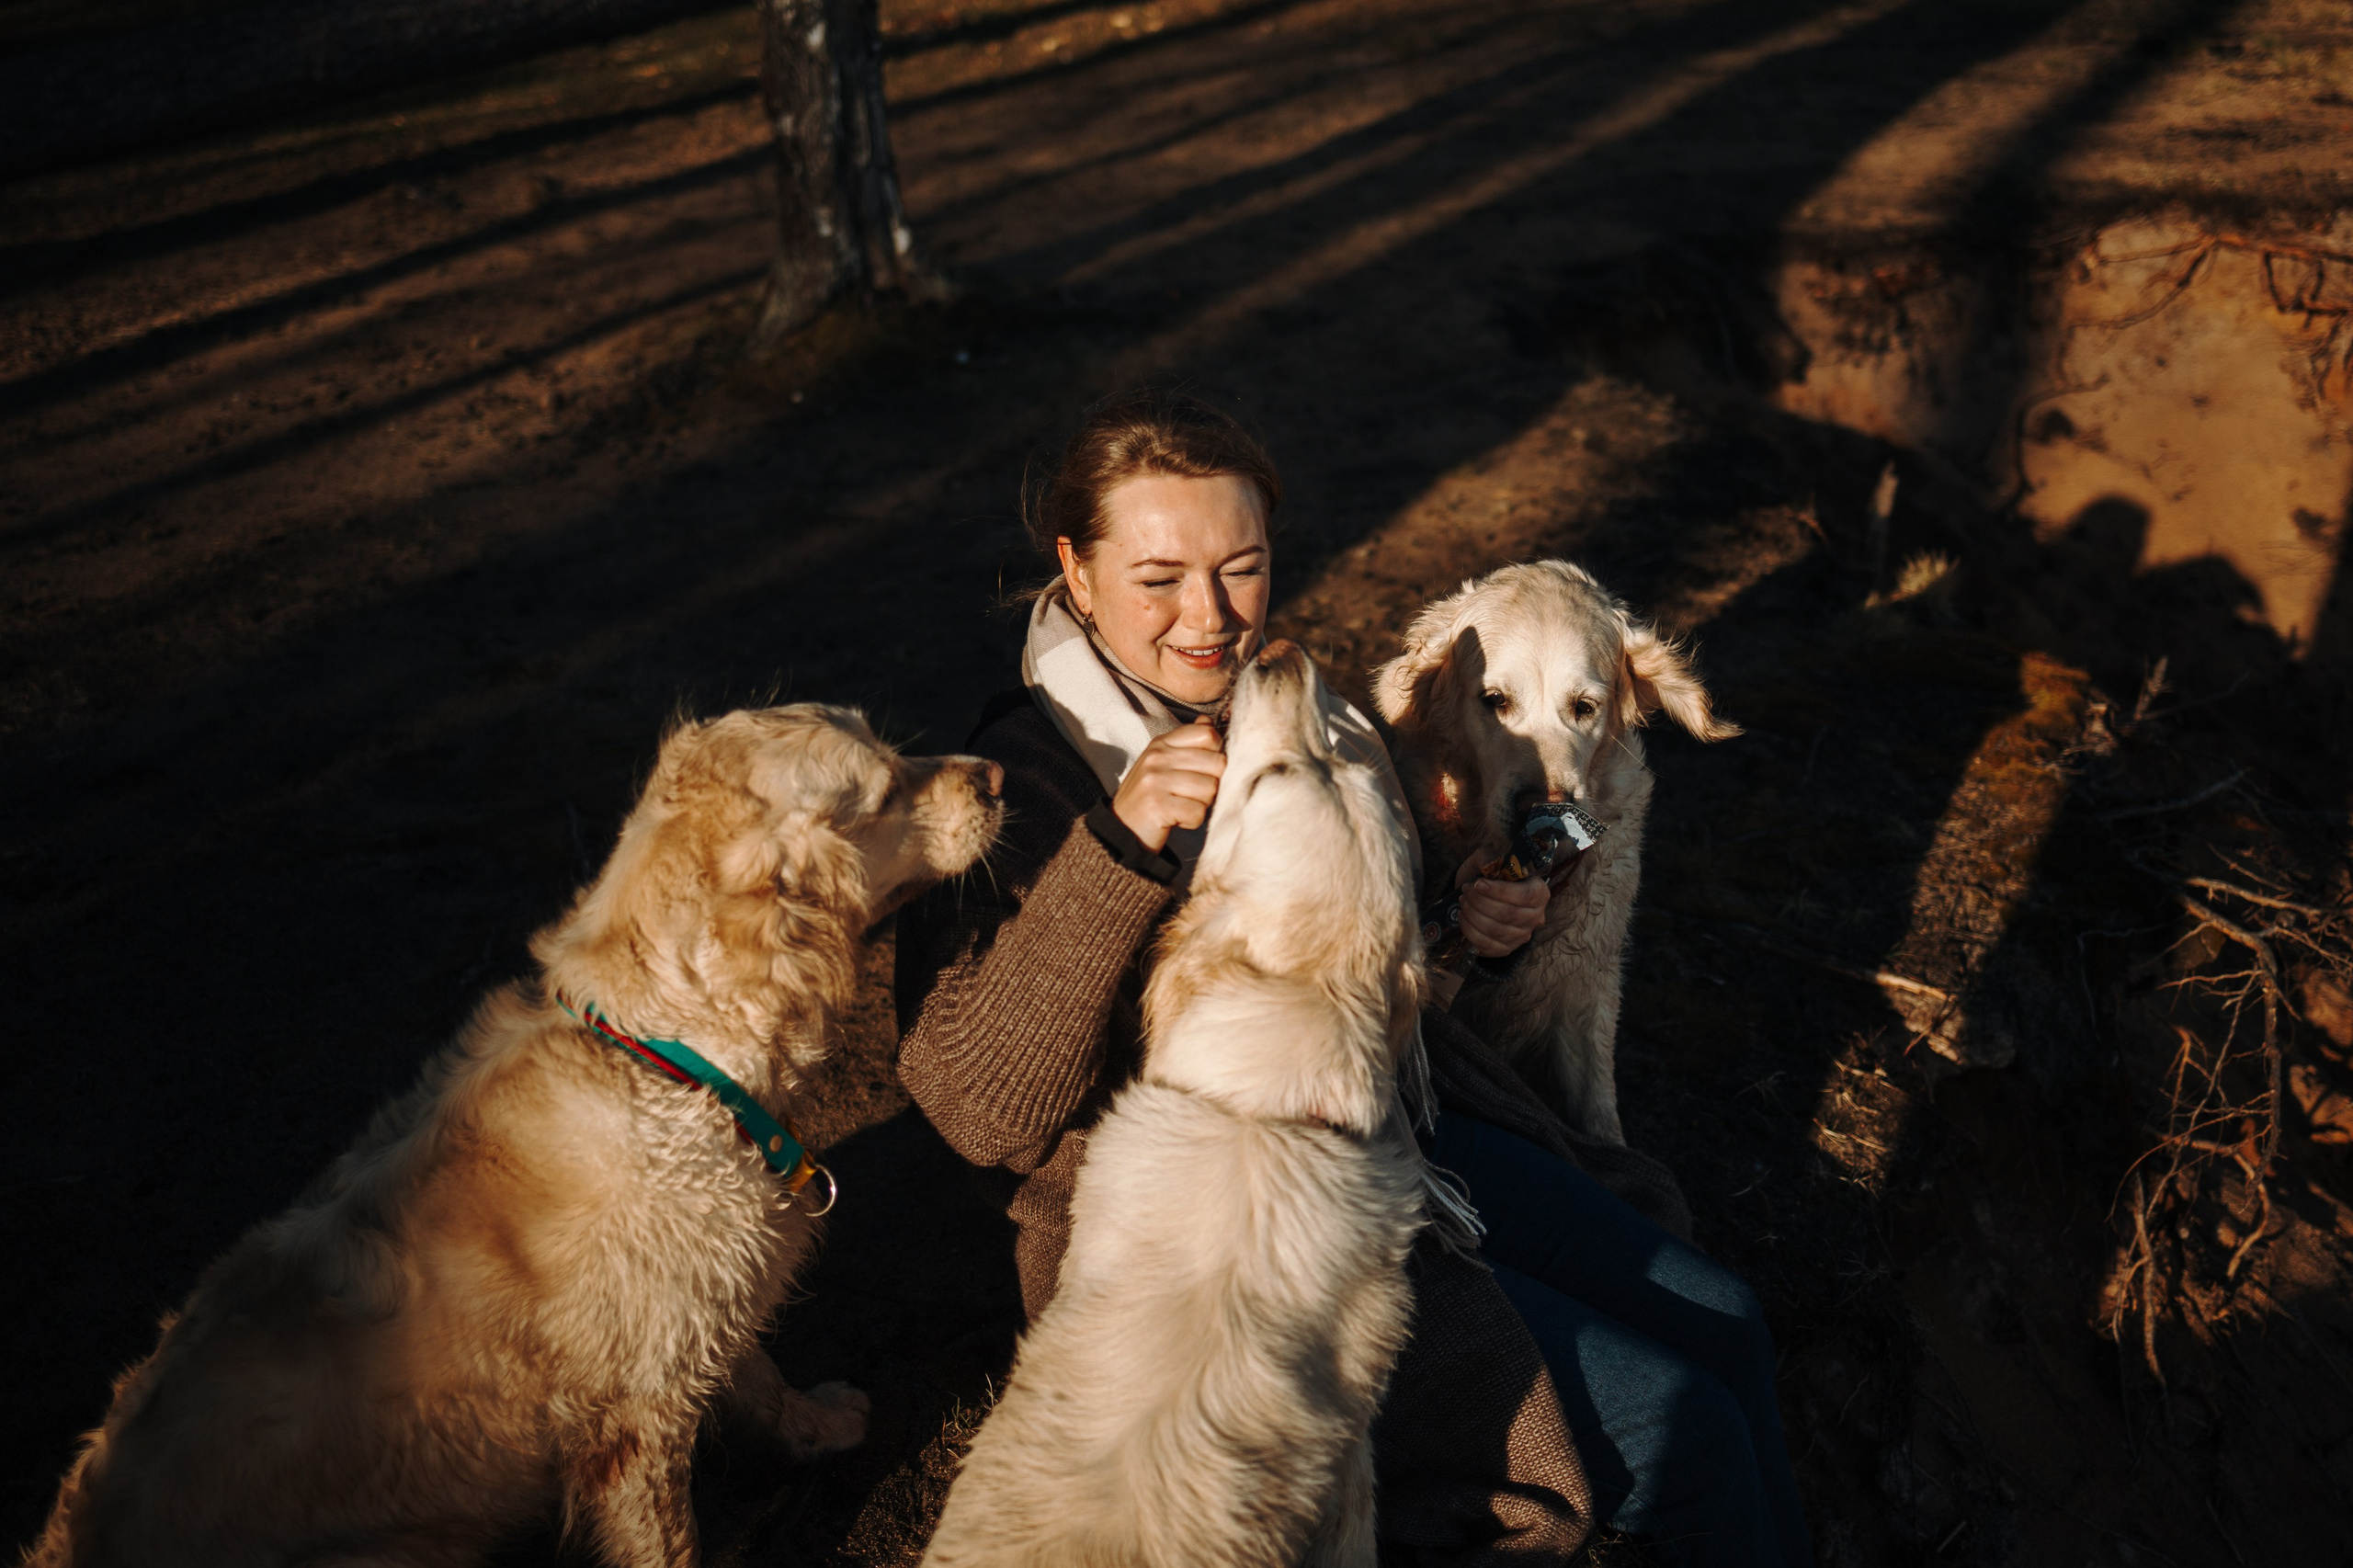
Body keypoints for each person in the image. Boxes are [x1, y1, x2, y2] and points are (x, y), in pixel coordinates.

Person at [894, 388, 1813, 1567]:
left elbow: (1380, 983)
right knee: (1696, 1449)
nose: (1210, 618)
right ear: (1075, 573)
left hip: (1412, 1136)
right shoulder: (1016, 786)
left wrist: (1468, 935)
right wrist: (1115, 853)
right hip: (1230, 1256)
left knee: (1730, 1325)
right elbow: (977, 1112)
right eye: (1160, 576)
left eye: (1242, 566)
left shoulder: (1308, 710)